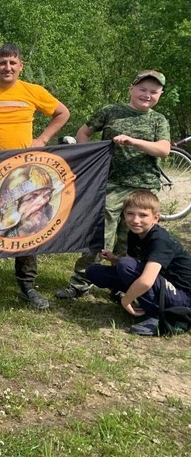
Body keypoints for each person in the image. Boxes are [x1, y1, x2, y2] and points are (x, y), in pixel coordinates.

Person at [0, 43, 70, 309]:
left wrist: (42, 139)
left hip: (22, 172)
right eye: (2, 63)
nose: (7, 67)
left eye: (12, 63)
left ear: (21, 66)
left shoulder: (33, 91)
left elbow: (62, 113)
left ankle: (26, 285)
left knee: (28, 224)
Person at [55, 70, 171, 300]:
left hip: (143, 189)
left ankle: (123, 284)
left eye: (153, 91)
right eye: (142, 89)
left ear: (160, 94)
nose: (146, 95)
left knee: (131, 240)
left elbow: (164, 150)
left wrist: (133, 141)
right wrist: (88, 158)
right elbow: (84, 132)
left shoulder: (159, 120)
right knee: (99, 235)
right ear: (131, 89)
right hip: (110, 184)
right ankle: (81, 281)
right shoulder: (111, 112)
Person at [85, 190, 191, 336]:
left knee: (125, 265)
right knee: (94, 271)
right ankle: (143, 302)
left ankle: (155, 316)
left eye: (143, 215)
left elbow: (146, 281)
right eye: (130, 214)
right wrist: (114, 258)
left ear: (156, 218)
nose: (135, 220)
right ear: (124, 214)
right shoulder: (135, 233)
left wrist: (126, 300)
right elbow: (133, 263)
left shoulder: (160, 240)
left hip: (182, 296)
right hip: (159, 283)